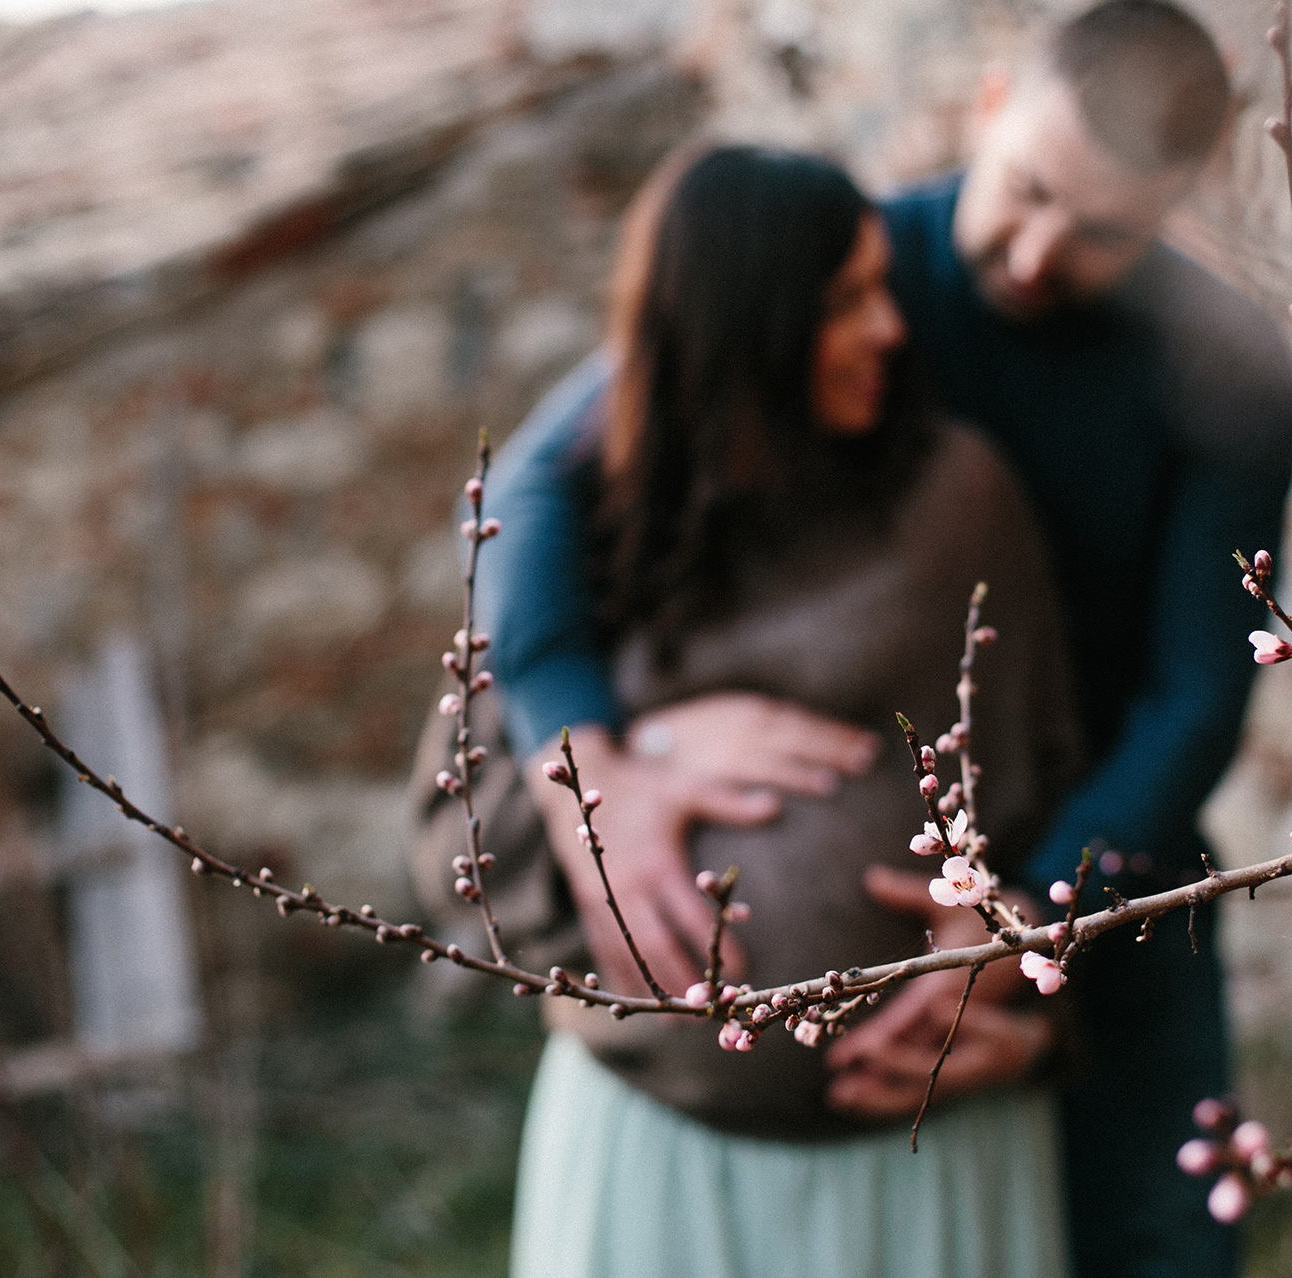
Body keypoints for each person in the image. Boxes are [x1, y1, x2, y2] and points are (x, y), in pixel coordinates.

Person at [476, 4, 1292, 1274]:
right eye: (1027, 189)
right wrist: (592, 753)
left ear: (1184, 198)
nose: (1036, 251)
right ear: (988, 106)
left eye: (1100, 231)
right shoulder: (845, 268)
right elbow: (542, 481)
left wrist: (1036, 922)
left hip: (1111, 881)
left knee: (1156, 1248)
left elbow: (1195, 695)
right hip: (777, 1021)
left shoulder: (1229, 378)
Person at [443, 143, 1082, 1277]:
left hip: (927, 1164)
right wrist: (639, 758)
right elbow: (452, 829)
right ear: (749, 327)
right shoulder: (585, 533)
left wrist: (1017, 956)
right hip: (656, 1165)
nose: (892, 328)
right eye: (846, 302)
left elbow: (1051, 793)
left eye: (885, 287)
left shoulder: (956, 503)